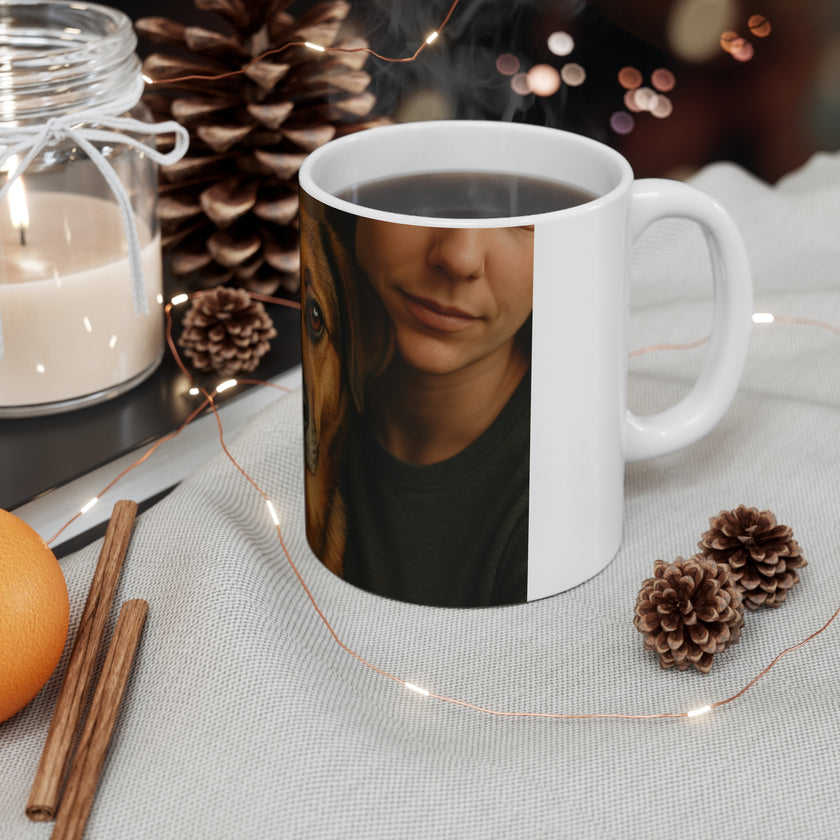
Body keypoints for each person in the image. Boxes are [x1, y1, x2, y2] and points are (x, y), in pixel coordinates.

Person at [338, 217, 534, 607]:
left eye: (524, 219)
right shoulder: (298, 421)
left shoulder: (550, 503)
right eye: (427, 197)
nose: (461, 259)